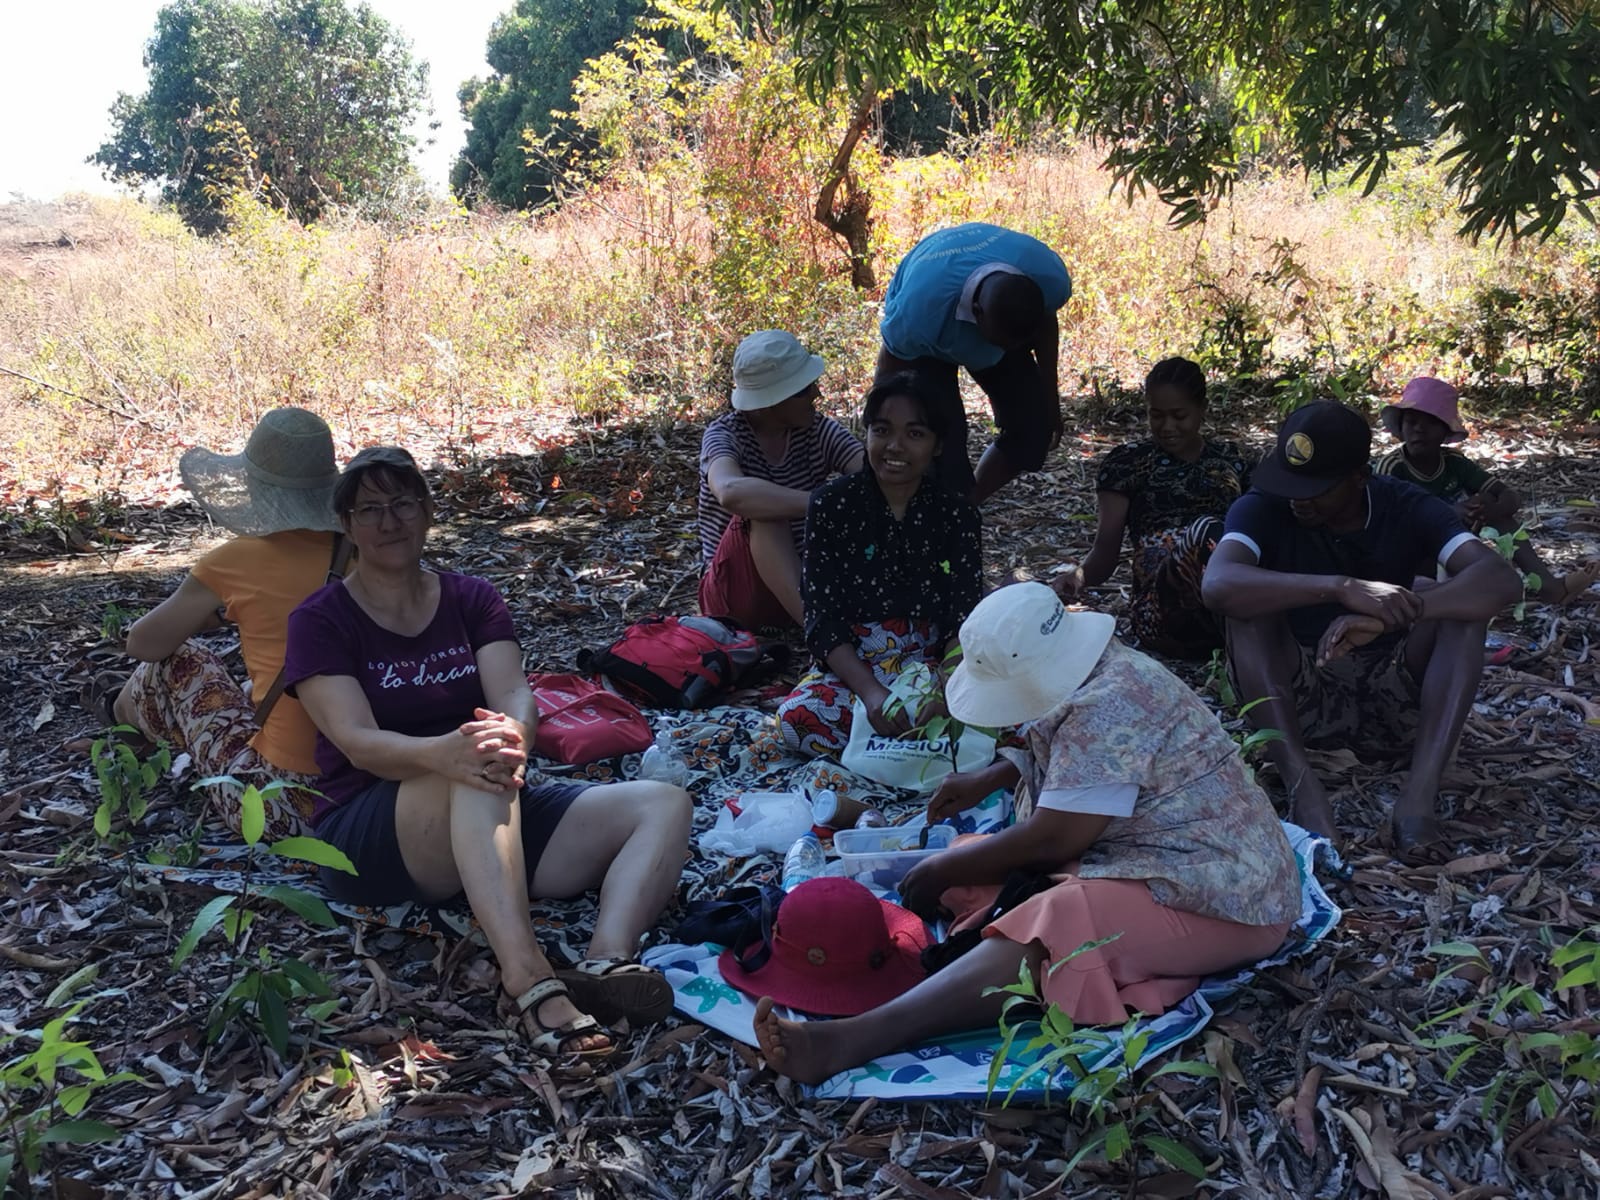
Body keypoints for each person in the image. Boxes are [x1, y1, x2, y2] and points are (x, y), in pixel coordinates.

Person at [752, 583, 1300, 1086]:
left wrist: (945, 868)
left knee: (1057, 916)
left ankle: (856, 1038)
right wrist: (993, 777)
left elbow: (1056, 839)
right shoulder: (1097, 671)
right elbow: (1080, 762)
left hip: (1224, 897)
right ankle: (989, 961)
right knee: (975, 865)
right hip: (1148, 856)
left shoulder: (1110, 701)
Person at [283, 447, 694, 1058]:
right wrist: (447, 753)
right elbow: (357, 742)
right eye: (370, 510)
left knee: (663, 804)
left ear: (426, 512)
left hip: (486, 802)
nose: (389, 522)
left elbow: (515, 696)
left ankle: (606, 963)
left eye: (403, 504)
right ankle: (526, 976)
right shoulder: (321, 619)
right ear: (347, 525)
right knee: (477, 769)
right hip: (372, 831)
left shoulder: (470, 598)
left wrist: (514, 736)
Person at [1202, 400, 1522, 851]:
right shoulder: (1264, 506)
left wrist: (1396, 611)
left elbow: (1501, 580)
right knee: (1246, 611)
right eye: (1292, 483)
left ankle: (1419, 795)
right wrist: (1341, 588)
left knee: (1462, 608)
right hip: (1305, 696)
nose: (1299, 498)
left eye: (1317, 488)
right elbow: (1218, 584)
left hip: (1396, 695)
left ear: (1359, 477)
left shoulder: (1405, 503)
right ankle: (1302, 786)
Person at [102, 407, 349, 841]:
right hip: (366, 787)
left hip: (280, 801)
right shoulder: (365, 554)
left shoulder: (234, 561)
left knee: (181, 660)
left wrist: (211, 616)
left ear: (252, 485)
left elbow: (142, 643)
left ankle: (119, 725)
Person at [776, 374, 983, 757]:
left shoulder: (956, 514)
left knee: (1006, 712)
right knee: (798, 719)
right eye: (882, 430)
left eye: (915, 434)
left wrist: (944, 688)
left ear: (937, 445)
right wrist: (872, 693)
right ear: (866, 433)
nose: (895, 447)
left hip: (933, 663)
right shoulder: (831, 506)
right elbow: (821, 619)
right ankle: (913, 749)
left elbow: (965, 617)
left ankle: (887, 749)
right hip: (855, 669)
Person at [1054, 357, 1255, 658]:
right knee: (1208, 530)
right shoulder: (1127, 463)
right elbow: (1105, 550)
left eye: (1179, 415)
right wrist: (1078, 576)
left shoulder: (1233, 460)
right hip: (1160, 613)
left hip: (1226, 597)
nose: (1167, 427)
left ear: (1202, 409)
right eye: (1156, 415)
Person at [876, 223, 1072, 502]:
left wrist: (1051, 399)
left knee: (1034, 430)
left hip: (1002, 318)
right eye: (1001, 342)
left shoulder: (1048, 276)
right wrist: (878, 424)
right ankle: (946, 508)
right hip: (930, 345)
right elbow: (892, 363)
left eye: (1018, 343)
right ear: (977, 313)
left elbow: (1043, 326)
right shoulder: (918, 314)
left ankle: (966, 506)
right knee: (944, 448)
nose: (1009, 349)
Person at [1373, 376, 1599, 603]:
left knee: (1497, 512)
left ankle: (1549, 587)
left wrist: (1491, 510)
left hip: (1452, 543)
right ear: (1401, 428)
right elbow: (1384, 524)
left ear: (1445, 431)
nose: (1418, 430)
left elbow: (1509, 496)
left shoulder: (1454, 462)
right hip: (1411, 551)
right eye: (1411, 422)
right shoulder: (1392, 467)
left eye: (1429, 423)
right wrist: (1449, 513)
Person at [698, 330, 863, 629]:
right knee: (764, 514)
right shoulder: (724, 435)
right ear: (770, 402)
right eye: (803, 390)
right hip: (736, 595)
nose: (816, 395)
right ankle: (823, 635)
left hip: (808, 580)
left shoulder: (817, 430)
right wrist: (822, 503)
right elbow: (730, 491)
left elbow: (871, 476)